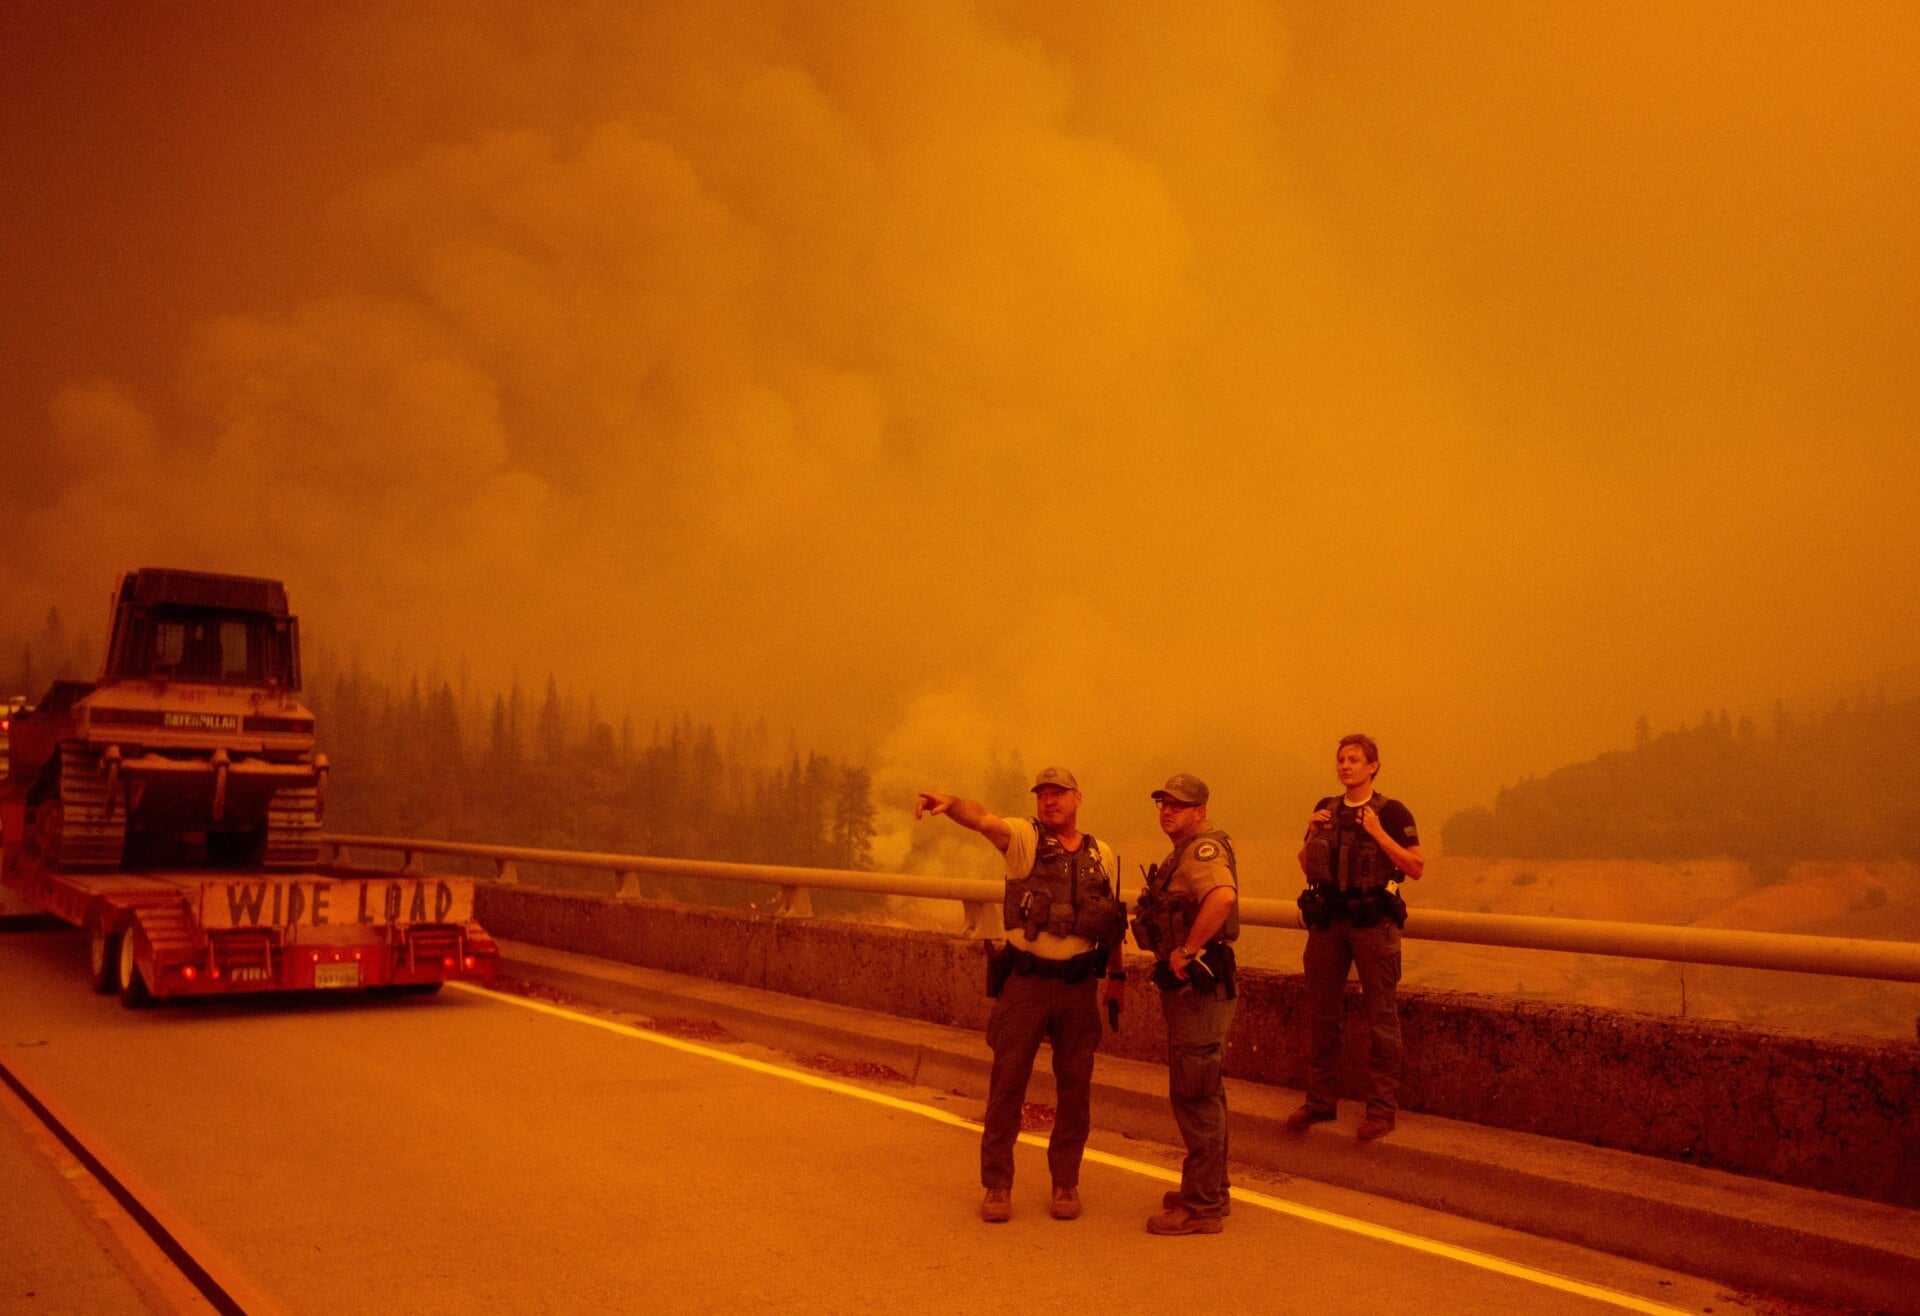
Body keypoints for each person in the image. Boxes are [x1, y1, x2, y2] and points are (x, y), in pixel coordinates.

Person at [916, 768, 1127, 1223]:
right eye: (1043, 795)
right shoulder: (1023, 841)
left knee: (1076, 1089)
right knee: (1007, 1084)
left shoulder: (1103, 855)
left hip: (1078, 987)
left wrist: (1118, 979)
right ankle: (997, 1185)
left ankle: (1065, 1181)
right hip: (1027, 985)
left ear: (1078, 798)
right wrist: (951, 803)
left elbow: (1112, 923)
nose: (1049, 802)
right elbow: (983, 820)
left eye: (1059, 794)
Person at [1289, 734, 1424, 1142]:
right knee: (1322, 1015)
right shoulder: (1324, 810)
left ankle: (1381, 1110)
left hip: (1372, 924)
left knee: (1381, 1017)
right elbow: (1305, 865)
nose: (1345, 766)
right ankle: (1319, 1101)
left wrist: (1380, 834)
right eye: (1341, 760)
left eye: (1354, 760)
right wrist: (1310, 833)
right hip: (1328, 922)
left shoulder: (1393, 811)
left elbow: (1416, 866)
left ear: (1373, 766)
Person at [1132, 773, 1239, 1235]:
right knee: (1206, 1090)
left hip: (1198, 987)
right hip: (1196, 989)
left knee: (1194, 1094)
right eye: (1162, 803)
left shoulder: (1202, 849)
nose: (1167, 811)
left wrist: (1186, 949)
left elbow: (1222, 896)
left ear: (1200, 811)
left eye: (1178, 804)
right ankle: (1213, 1188)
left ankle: (1201, 1208)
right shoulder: (1185, 850)